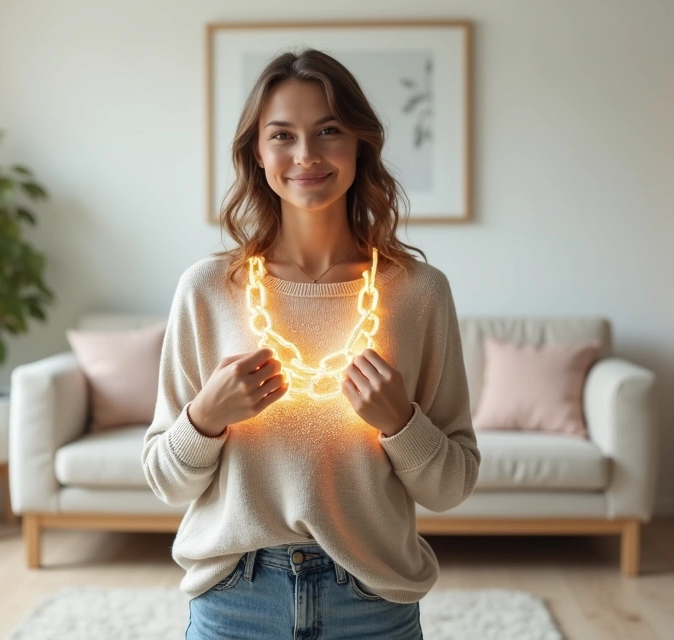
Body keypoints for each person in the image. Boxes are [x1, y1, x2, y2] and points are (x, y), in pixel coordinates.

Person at [142, 48, 480, 640]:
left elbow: (451, 486)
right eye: (282, 135)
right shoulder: (207, 289)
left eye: (328, 131)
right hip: (235, 600)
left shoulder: (420, 293)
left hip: (372, 602)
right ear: (257, 152)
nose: (306, 155)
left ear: (359, 144)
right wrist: (205, 418)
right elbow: (166, 483)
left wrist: (400, 423)